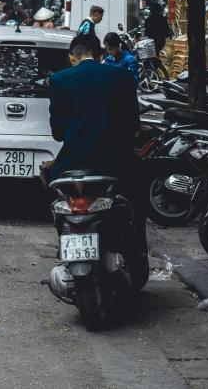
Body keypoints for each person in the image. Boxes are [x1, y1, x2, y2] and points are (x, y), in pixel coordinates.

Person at [48, 33, 147, 272]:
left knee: (56, 203)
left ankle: (63, 241)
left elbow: (58, 133)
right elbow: (133, 125)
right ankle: (136, 251)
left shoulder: (59, 80)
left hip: (72, 165)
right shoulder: (122, 77)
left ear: (72, 57)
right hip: (116, 163)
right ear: (101, 55)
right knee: (137, 201)